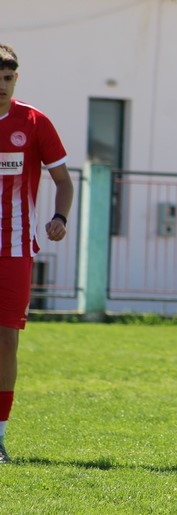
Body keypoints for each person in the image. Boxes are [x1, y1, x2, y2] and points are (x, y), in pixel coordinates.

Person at [0, 44, 74, 464]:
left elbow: (63, 181)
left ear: (16, 79)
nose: (2, 84)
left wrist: (59, 217)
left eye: (8, 78)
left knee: (6, 341)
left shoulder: (34, 122)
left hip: (14, 249)